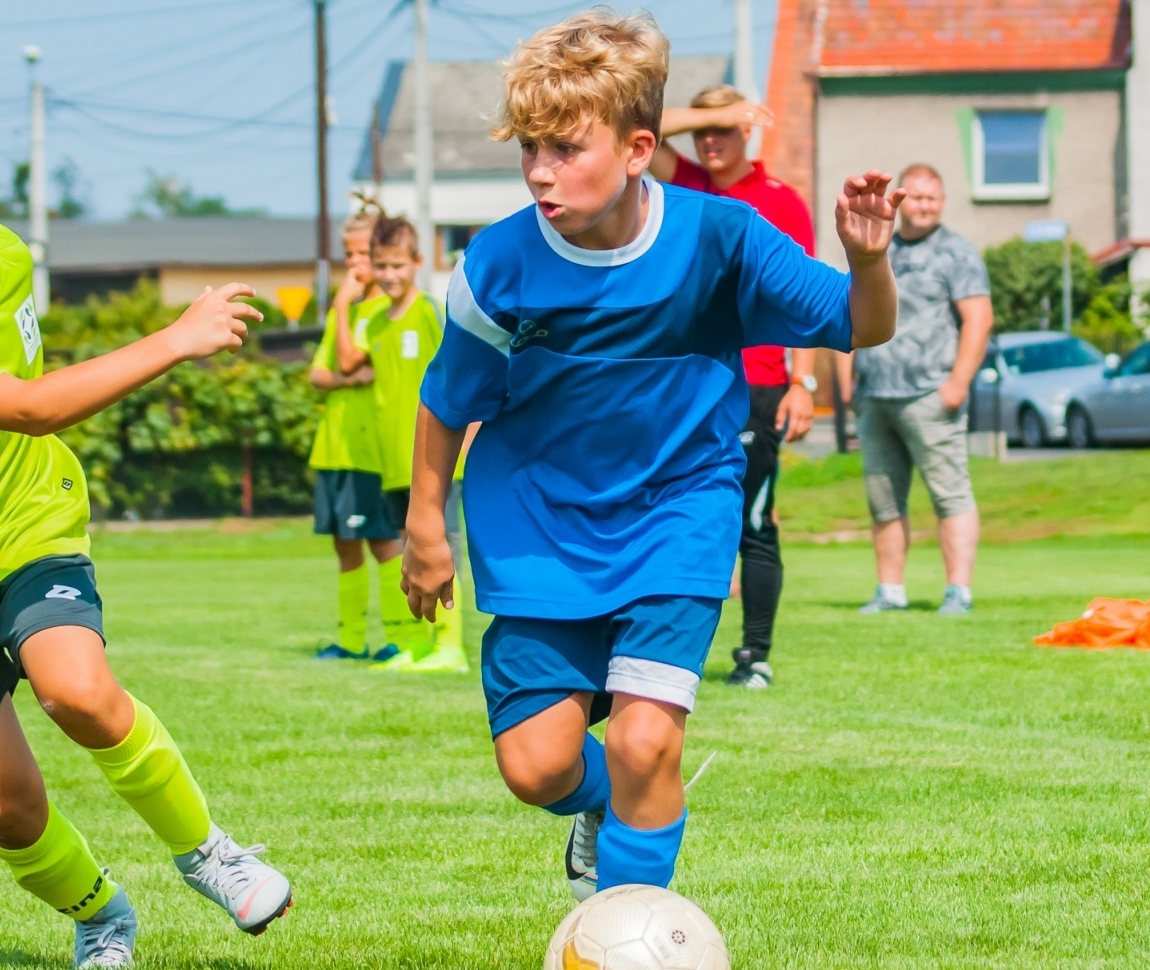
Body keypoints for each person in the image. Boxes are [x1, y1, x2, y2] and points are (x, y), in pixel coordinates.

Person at [401, 11, 900, 898]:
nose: (541, 171)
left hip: (678, 511)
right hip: (538, 523)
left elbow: (861, 324)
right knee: (535, 767)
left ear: (638, 151)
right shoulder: (496, 266)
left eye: (566, 149)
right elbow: (446, 401)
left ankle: (629, 930)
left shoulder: (723, 238)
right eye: (531, 149)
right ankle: (606, 807)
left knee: (643, 743)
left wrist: (867, 263)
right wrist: (425, 528)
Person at [0, 100, 292, 970]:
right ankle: (102, 916)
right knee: (9, 811)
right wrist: (174, 339)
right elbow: (33, 407)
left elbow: (32, 402)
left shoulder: (4, 256)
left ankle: (211, 854)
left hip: (29, 524)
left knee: (77, 692)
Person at [651, 85, 817, 690]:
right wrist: (717, 112)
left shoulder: (779, 201)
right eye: (703, 130)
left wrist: (803, 381)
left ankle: (755, 656)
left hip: (759, 386)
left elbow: (805, 297)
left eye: (724, 129)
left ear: (748, 132)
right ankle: (659, 656)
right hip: (684, 385)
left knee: (751, 521)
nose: (710, 141)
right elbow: (637, 124)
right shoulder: (685, 183)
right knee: (671, 518)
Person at [835, 163, 992, 616]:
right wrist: (847, 384)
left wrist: (957, 384)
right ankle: (890, 591)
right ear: (902, 199)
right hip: (876, 395)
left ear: (942, 202)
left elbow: (978, 319)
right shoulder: (878, 245)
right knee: (883, 502)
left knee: (949, 494)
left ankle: (958, 591)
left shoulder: (956, 252)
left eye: (932, 198)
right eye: (918, 197)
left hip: (930, 395)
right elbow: (848, 308)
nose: (925, 206)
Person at [338, 215, 469, 675]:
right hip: (393, 462)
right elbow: (346, 363)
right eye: (381, 265)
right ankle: (416, 644)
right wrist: (342, 305)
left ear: (417, 262)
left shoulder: (430, 311)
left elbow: (462, 374)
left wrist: (468, 439)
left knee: (441, 545)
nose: (389, 275)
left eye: (397, 265)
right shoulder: (374, 323)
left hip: (436, 461)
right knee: (406, 551)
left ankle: (450, 647)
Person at [308, 203, 407, 662]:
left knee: (383, 542)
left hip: (369, 450)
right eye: (348, 255)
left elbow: (346, 361)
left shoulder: (383, 310)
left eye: (362, 254)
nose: (354, 264)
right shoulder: (344, 312)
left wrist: (341, 306)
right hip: (334, 448)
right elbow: (319, 374)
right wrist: (345, 378)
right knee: (344, 545)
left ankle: (399, 637)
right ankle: (350, 640)